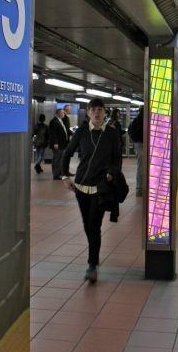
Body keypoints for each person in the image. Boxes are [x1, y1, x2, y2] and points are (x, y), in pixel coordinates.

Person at [60, 98, 122, 283]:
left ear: (104, 113)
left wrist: (111, 173)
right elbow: (67, 153)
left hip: (100, 188)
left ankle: (92, 264)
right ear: (88, 113)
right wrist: (64, 176)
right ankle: (94, 254)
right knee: (88, 225)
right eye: (93, 110)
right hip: (80, 187)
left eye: (99, 110)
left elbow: (117, 158)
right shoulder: (81, 132)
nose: (96, 113)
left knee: (94, 225)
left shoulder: (111, 134)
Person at [48, 108, 70, 179]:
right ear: (58, 113)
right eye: (63, 113)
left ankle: (59, 172)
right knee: (57, 159)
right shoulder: (53, 121)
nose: (64, 114)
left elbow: (64, 131)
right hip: (57, 144)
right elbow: (53, 133)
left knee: (60, 159)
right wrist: (55, 143)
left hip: (62, 144)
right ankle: (56, 175)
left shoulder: (60, 120)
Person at [127, 111, 145, 196]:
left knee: (140, 164)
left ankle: (140, 188)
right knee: (142, 164)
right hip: (142, 142)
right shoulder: (144, 118)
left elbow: (130, 130)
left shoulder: (137, 119)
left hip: (138, 142)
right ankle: (140, 188)